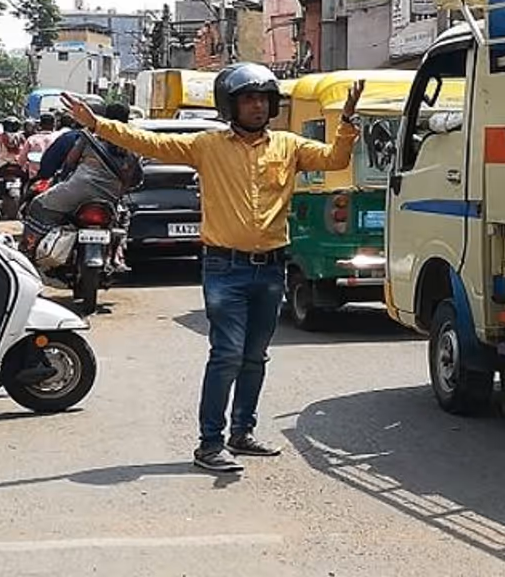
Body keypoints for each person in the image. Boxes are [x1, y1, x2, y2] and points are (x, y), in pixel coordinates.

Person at [62, 64, 364, 473]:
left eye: (262, 99)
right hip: (226, 268)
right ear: (231, 106)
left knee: (255, 357)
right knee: (226, 355)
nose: (257, 106)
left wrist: (346, 122)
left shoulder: (289, 146)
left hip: (272, 269)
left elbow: (335, 158)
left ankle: (242, 433)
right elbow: (148, 142)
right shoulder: (207, 145)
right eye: (248, 99)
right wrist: (97, 124)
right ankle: (209, 443)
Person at [22, 102, 141, 250]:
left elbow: (70, 161)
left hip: (78, 189)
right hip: (111, 197)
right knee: (123, 220)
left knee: (37, 205)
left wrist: (63, 177)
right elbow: (134, 176)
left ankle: (29, 250)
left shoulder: (90, 134)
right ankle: (117, 255)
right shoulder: (134, 139)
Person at [18, 113, 58, 178]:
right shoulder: (58, 138)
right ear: (54, 125)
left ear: (40, 125)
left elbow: (21, 160)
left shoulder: (32, 139)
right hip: (53, 177)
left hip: (34, 175)